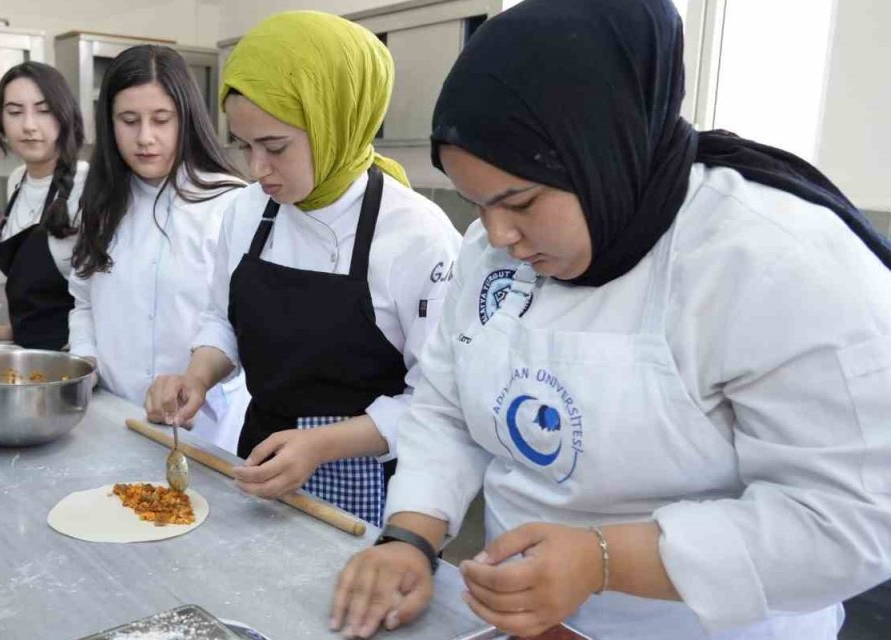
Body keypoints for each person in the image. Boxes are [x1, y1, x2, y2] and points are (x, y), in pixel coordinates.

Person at [328, 0, 891, 638]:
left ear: (605, 150)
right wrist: (410, 536)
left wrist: (603, 560)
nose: (498, 234)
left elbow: (847, 517)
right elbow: (446, 407)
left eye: (521, 202)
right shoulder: (493, 254)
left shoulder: (771, 260)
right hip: (528, 620)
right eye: (477, 204)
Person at [146, 11, 460, 526]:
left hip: (372, 484)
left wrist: (320, 444)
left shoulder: (416, 235)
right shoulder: (247, 211)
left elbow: (438, 400)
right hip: (258, 464)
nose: (256, 169)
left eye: (275, 147)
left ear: (336, 122)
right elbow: (222, 320)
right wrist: (197, 376)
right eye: (244, 145)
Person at [68, 45, 249, 451]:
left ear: (187, 119)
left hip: (207, 426)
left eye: (161, 120)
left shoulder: (232, 202)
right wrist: (86, 360)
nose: (145, 138)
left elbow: (241, 322)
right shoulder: (99, 201)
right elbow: (83, 301)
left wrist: (199, 379)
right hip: (113, 416)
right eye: (129, 121)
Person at [0, 61, 87, 349]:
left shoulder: (89, 185)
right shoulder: (16, 180)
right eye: (15, 112)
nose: (29, 125)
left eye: (44, 111)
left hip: (77, 361)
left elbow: (109, 299)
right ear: (1, 123)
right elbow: (37, 309)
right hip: (27, 357)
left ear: (65, 117)